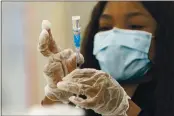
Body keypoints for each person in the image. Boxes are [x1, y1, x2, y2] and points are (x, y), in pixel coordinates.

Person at [38, 1, 174, 116]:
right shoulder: (87, 93)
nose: (114, 37)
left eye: (135, 26)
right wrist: (57, 94)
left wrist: (123, 108)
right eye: (105, 27)